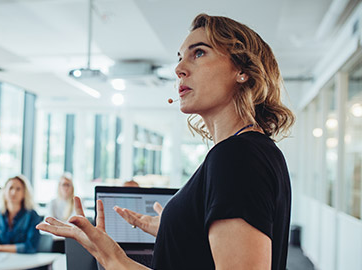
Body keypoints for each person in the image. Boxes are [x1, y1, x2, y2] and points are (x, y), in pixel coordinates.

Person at [37, 13, 295, 270]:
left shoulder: (236, 157)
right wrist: (180, 231)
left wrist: (112, 258)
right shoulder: (252, 151)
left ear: (242, 70)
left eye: (199, 53)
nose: (179, 68)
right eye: (180, 57)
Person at [0, 175, 42, 254]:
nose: (13, 192)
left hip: (23, 262)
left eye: (18, 189)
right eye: (10, 188)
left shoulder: (32, 215)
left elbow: (31, 247)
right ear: (4, 191)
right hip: (0, 260)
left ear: (24, 193)